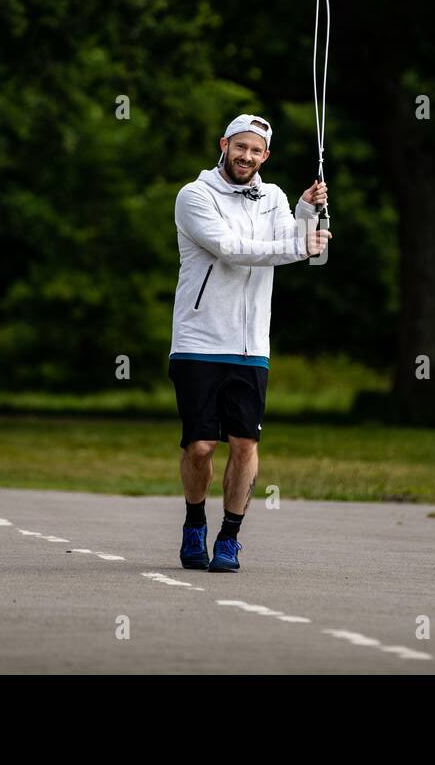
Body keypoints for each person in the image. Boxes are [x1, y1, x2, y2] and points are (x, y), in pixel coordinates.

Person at [169, 113, 330, 572]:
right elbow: (232, 249)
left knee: (244, 444)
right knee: (200, 447)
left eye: (256, 150)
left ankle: (229, 538)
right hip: (198, 340)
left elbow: (287, 240)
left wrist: (304, 213)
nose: (247, 156)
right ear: (224, 144)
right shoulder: (194, 195)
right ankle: (194, 522)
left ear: (266, 156)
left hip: (251, 345)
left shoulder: (273, 196)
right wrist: (302, 247)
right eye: (240, 147)